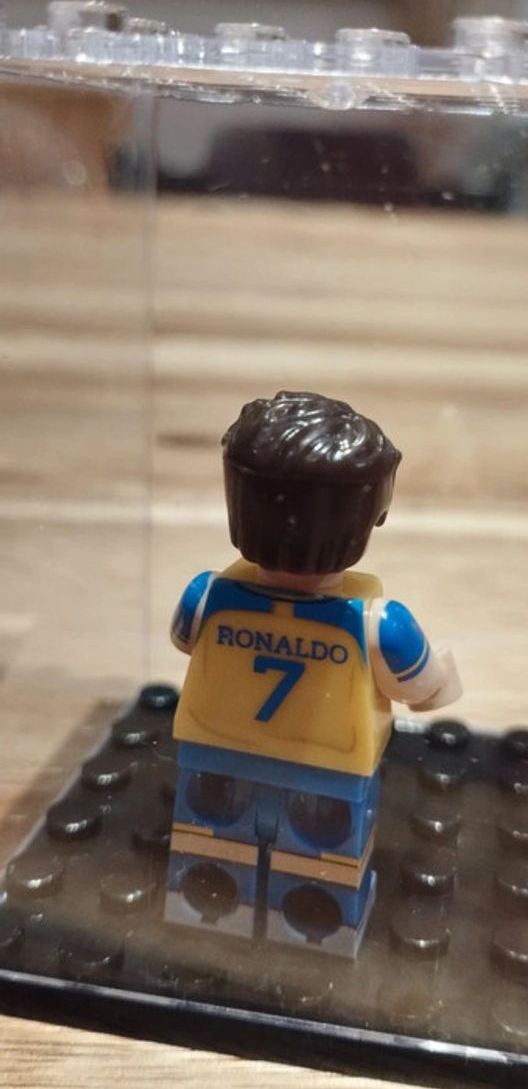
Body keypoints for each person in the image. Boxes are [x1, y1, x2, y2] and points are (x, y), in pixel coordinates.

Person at [166, 391, 461, 955]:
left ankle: (209, 912)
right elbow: (428, 692)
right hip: (330, 771)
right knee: (322, 860)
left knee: (210, 842)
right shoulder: (380, 624)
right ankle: (313, 933)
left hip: (214, 754)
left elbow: (183, 641)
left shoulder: (204, 596)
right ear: (369, 516)